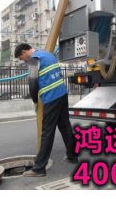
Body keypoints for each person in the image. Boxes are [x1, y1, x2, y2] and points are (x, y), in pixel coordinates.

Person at [15, 43, 77, 177]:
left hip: (51, 98)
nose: (23, 61)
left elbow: (32, 83)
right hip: (62, 94)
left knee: (47, 132)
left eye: (21, 58)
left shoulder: (34, 60)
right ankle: (72, 156)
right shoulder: (48, 55)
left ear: (25, 51)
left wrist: (35, 101)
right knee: (65, 126)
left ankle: (39, 169)